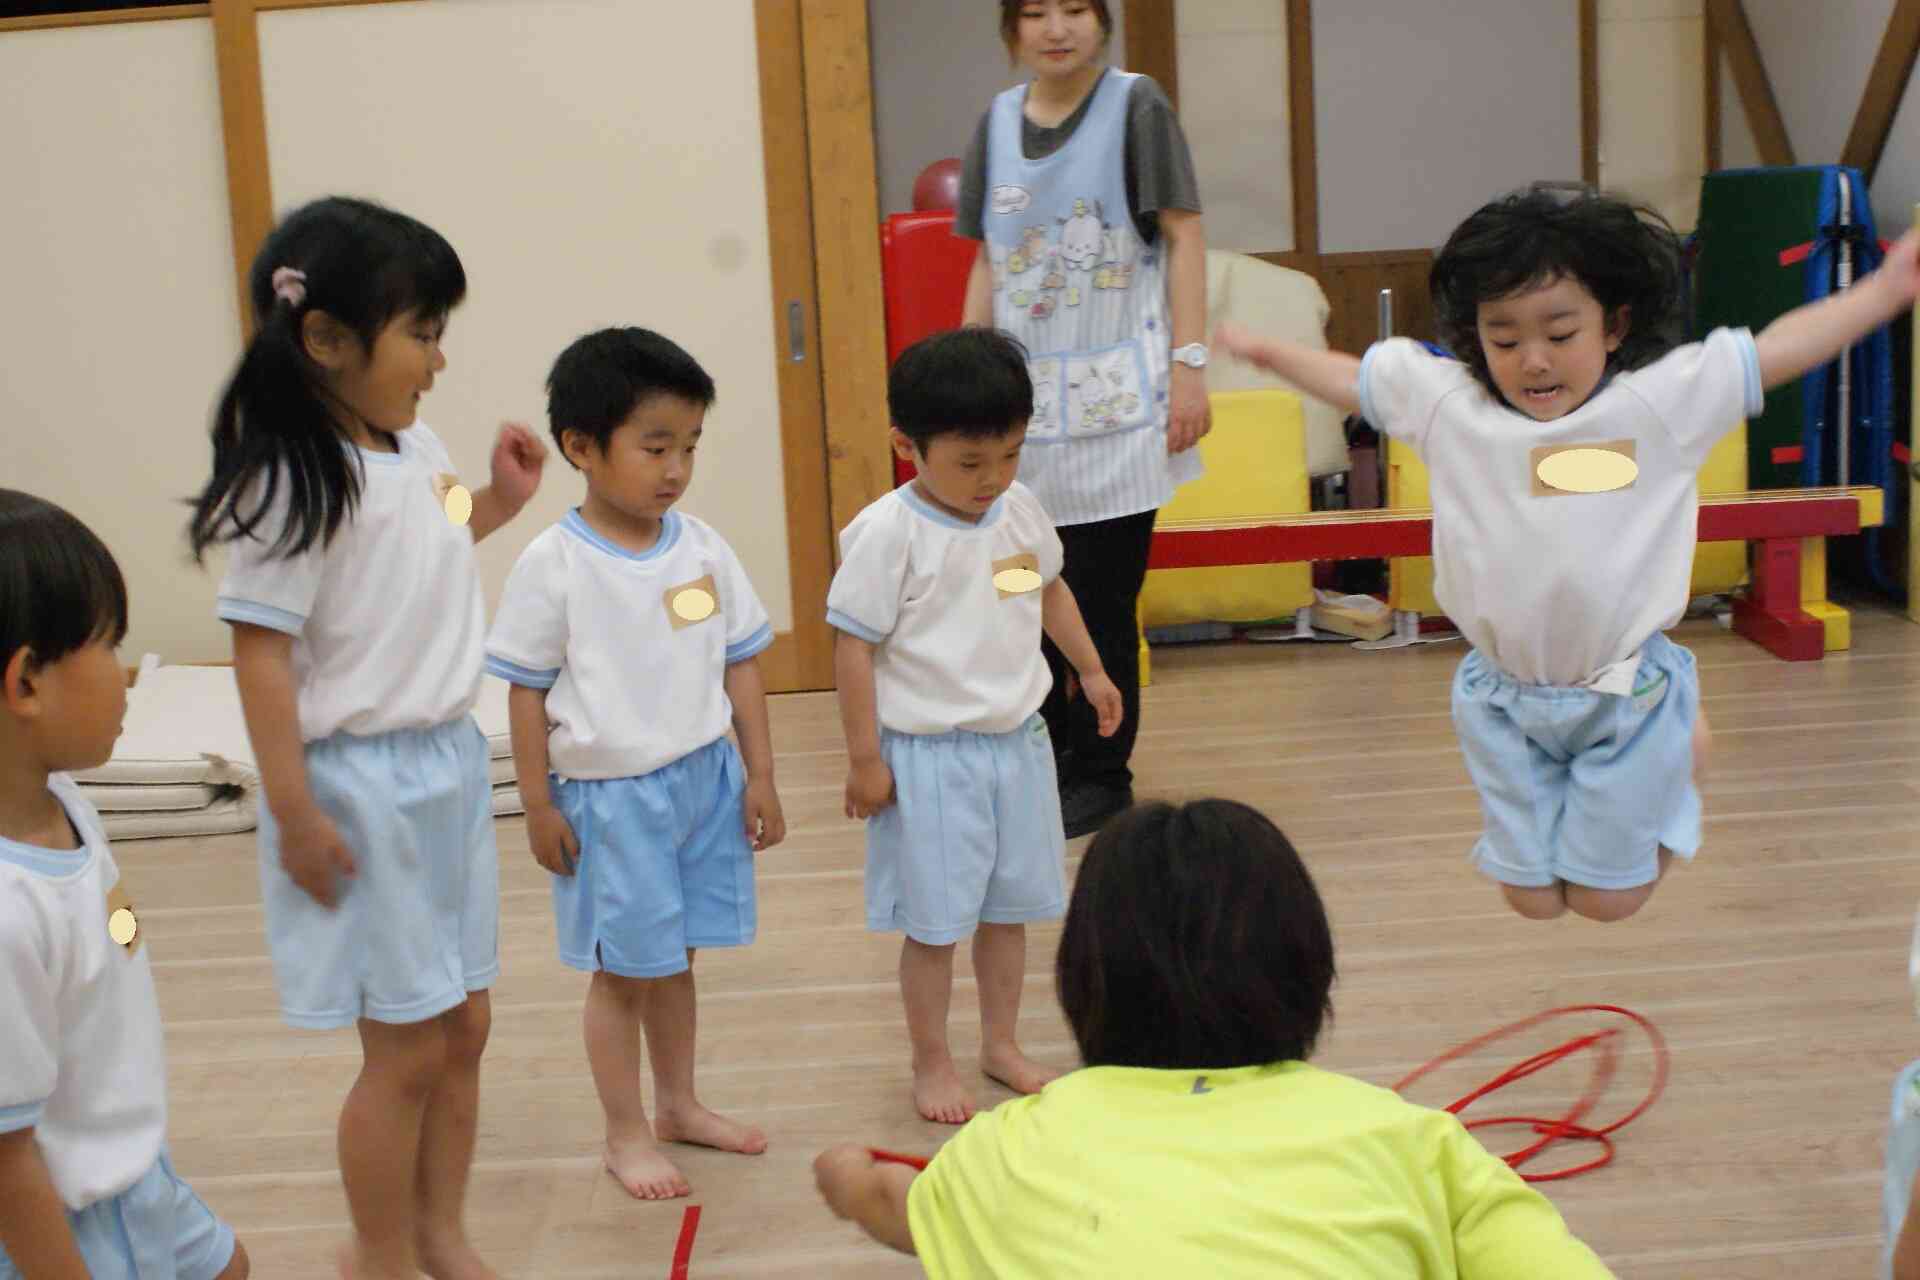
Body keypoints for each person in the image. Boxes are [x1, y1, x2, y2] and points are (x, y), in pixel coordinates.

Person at [1217, 183, 1920, 923]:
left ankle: (1680, 762)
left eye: (1560, 333)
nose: (1533, 361)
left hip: (1626, 694)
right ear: (1476, 336)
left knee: (1606, 901)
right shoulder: (1450, 406)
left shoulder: (1656, 406)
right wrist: (1264, 350)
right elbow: (1351, 378)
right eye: (1506, 338)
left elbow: (1776, 352)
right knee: (1532, 901)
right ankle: (1648, 781)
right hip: (1502, 699)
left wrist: (1882, 290)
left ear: (1613, 326)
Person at [186, 196, 547, 1279]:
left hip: (445, 766)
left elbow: (432, 535)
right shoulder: (289, 477)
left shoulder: (413, 442)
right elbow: (260, 653)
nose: (439, 360)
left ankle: (441, 1230)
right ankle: (379, 1251)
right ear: (327, 339)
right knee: (405, 1047)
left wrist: (497, 500)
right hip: (361, 788)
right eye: (423, 332)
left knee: (466, 1026)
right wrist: (292, 807)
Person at [812, 798, 1616, 1276]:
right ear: (1310, 971)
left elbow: (894, 1205)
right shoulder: (1416, 1146)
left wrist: (845, 1175)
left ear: (1085, 981)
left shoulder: (1007, 1148)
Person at [485, 328, 785, 1201]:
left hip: (702, 784)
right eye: (655, 447)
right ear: (582, 447)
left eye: (688, 446)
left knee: (677, 958)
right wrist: (537, 804)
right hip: (610, 803)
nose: (675, 469)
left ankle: (679, 1104)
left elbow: (741, 662)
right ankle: (624, 1132)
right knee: (622, 973)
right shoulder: (554, 565)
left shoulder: (701, 548)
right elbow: (526, 693)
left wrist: (759, 774)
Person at [829, 327, 1121, 1125]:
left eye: (1010, 457)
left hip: (1017, 748)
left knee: (1008, 911)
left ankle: (1001, 1043)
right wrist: (864, 760)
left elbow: (1044, 593)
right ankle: (931, 1059)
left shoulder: (1015, 513)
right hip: (927, 759)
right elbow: (852, 649)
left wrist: (1090, 670)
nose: (992, 480)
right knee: (934, 925)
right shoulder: (888, 536)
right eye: (969, 463)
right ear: (906, 445)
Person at [956, 0, 1212, 838]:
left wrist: (1190, 367)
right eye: (1035, 11)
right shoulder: (994, 122)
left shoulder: (1137, 106)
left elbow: (1184, 236)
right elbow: (990, 262)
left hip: (1118, 409)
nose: (1056, 26)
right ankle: (1044, 761)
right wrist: (966, 381)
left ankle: (1102, 772)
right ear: (1010, 29)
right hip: (1020, 419)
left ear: (1102, 22)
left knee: (1101, 602)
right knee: (1018, 595)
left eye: (1075, 8)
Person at [0, 492, 249, 1279]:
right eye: (110, 648)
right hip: (61, 1218)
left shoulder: (65, 799)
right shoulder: (7, 911)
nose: (128, 676)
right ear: (27, 684)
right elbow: (8, 1165)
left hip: (134, 1172)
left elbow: (109, 934)